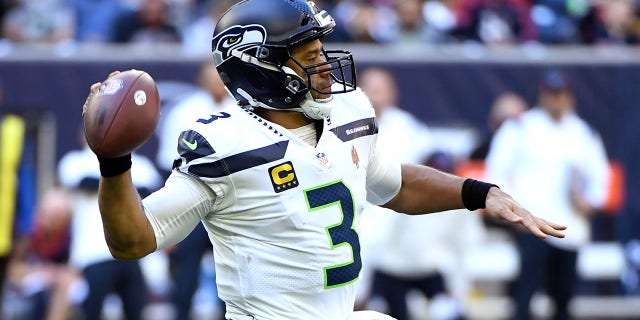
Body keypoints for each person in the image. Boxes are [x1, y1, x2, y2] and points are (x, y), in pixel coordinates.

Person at [82, 1, 565, 319]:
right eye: (307, 56)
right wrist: (114, 163)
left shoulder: (348, 111)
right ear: (261, 67)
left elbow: (392, 184)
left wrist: (480, 193)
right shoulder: (223, 144)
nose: (324, 67)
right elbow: (134, 240)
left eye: (320, 52)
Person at [486, 70, 609, 320]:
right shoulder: (520, 127)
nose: (556, 100)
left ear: (569, 97)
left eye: (560, 95)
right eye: (551, 95)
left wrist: (591, 202)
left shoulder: (582, 133)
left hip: (569, 227)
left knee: (563, 297)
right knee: (525, 294)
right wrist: (513, 212)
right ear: (542, 96)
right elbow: (497, 169)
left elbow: (600, 177)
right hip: (531, 223)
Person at [154, 62, 234, 320]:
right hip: (194, 202)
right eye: (211, 78)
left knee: (232, 276)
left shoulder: (242, 108)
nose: (216, 83)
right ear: (201, 81)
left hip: (233, 204)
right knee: (185, 275)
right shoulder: (185, 111)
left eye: (220, 77)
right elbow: (169, 159)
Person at [57, 137, 162, 320]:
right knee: (91, 312)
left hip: (133, 253)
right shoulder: (75, 161)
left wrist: (112, 182)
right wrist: (126, 187)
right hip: (93, 254)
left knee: (135, 311)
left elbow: (153, 191)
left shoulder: (142, 165)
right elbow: (83, 181)